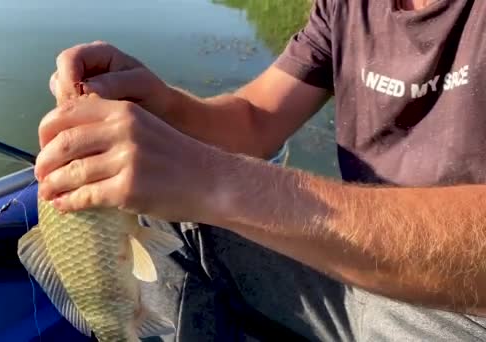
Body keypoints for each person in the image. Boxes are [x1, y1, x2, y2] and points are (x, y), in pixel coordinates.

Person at [33, 0, 486, 340]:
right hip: (350, 272)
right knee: (155, 202)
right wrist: (164, 108)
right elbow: (255, 118)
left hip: (463, 310)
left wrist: (215, 180)